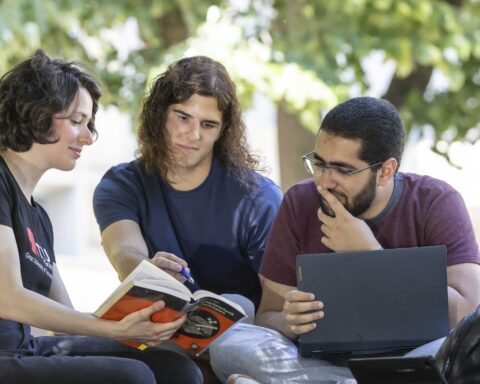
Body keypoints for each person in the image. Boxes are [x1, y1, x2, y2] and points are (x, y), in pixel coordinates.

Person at [209, 96, 480, 383]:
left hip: (410, 361)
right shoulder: (299, 203)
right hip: (321, 363)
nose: (324, 181)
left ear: (385, 171)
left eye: (343, 170)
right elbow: (268, 317)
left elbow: (467, 317)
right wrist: (290, 322)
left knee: (446, 356)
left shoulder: (435, 201)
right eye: (319, 163)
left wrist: (371, 255)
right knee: (229, 342)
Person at [0, 50, 202, 384]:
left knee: (175, 368)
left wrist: (139, 313)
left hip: (26, 350)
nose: (89, 137)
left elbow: (66, 317)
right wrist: (109, 328)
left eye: (89, 124)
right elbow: (7, 298)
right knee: (131, 376)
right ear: (35, 113)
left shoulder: (39, 216)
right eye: (76, 121)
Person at [92, 56, 282, 315]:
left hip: (242, 342)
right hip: (157, 334)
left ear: (223, 130)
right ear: (160, 114)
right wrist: (149, 272)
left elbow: (276, 310)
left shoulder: (259, 199)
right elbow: (124, 253)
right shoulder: (122, 185)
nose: (193, 135)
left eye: (208, 124)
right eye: (183, 117)